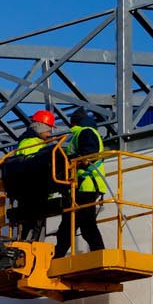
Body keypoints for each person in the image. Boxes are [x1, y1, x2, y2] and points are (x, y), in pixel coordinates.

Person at [54, 107, 109, 255]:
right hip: (80, 186)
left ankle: (98, 254)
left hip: (86, 185)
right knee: (73, 226)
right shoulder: (80, 134)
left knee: (78, 225)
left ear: (74, 123)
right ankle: (59, 257)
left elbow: (89, 156)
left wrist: (71, 161)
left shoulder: (85, 132)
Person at [4, 109, 64, 242]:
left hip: (29, 190)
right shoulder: (31, 142)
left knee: (34, 223)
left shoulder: (30, 141)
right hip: (32, 190)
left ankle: (31, 246)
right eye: (49, 130)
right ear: (40, 127)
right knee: (33, 224)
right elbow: (35, 163)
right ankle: (30, 247)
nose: (50, 134)